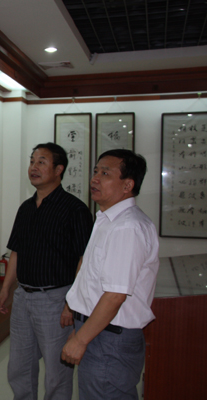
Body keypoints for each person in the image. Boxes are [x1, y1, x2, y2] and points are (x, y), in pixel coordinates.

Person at [0, 142, 94, 400]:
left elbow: (84, 260)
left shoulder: (75, 209)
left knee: (56, 371)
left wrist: (71, 304)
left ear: (59, 169)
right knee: (19, 367)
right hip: (23, 297)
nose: (34, 167)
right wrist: (6, 289)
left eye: (41, 162)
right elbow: (16, 251)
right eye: (32, 161)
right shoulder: (26, 208)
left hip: (56, 299)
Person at [61, 149, 159, 400]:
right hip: (100, 331)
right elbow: (90, 277)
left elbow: (115, 295)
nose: (94, 178)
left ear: (128, 185)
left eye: (105, 173)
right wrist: (80, 326)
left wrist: (81, 340)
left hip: (110, 339)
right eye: (95, 171)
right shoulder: (107, 220)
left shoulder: (127, 227)